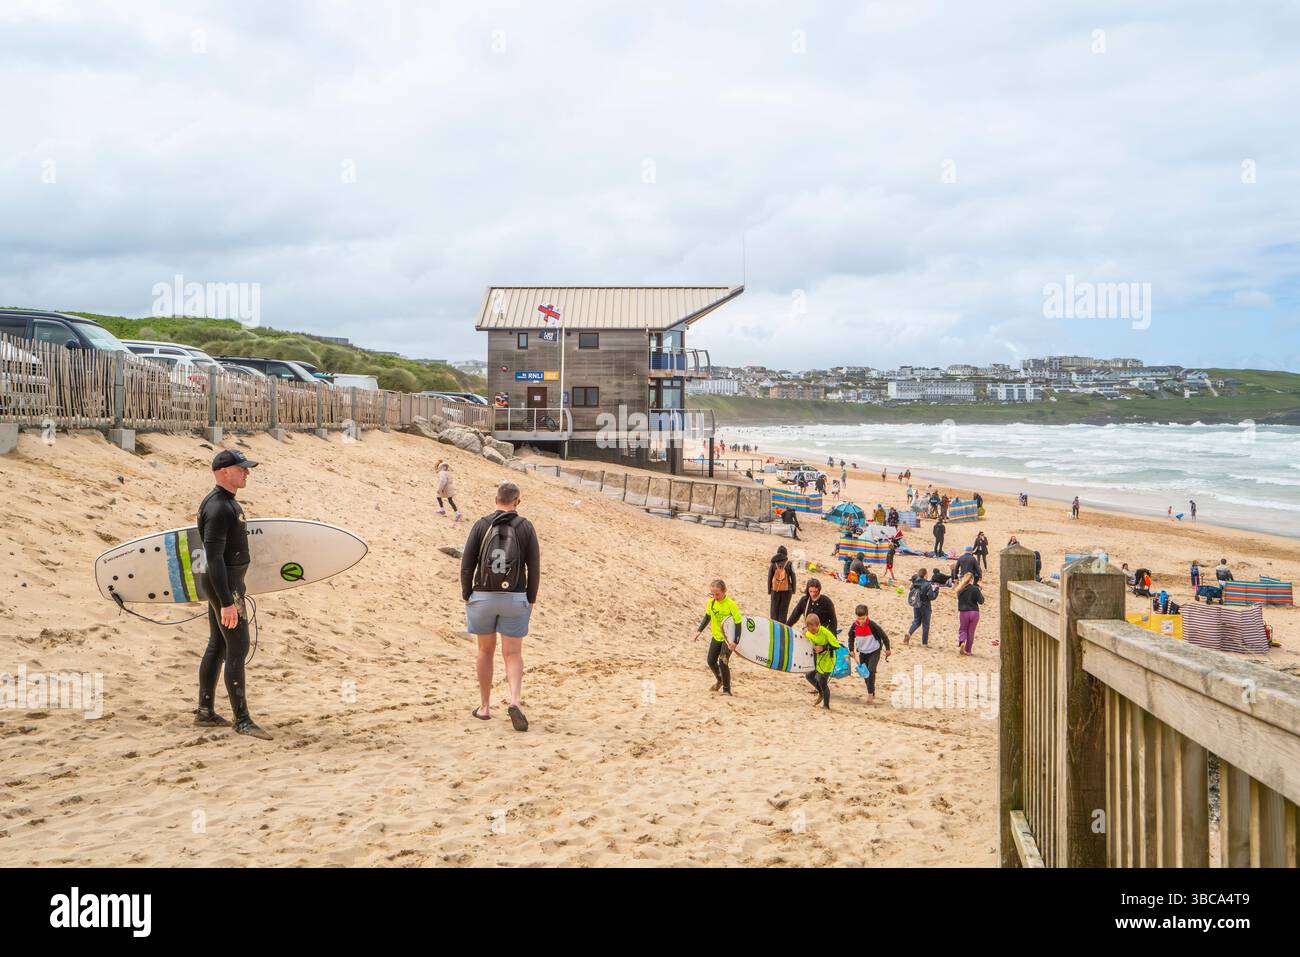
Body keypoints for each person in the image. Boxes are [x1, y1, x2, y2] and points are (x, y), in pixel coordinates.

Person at [195, 449, 271, 740]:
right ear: (224, 472)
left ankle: (205, 712)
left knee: (217, 644)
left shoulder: (224, 503)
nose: (247, 472)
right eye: (242, 468)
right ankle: (242, 720)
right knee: (237, 649)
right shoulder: (219, 508)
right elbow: (213, 558)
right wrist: (227, 602)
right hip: (224, 585)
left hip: (224, 584)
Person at [461, 481, 540, 730]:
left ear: (496, 499)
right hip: (515, 597)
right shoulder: (525, 527)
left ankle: (484, 708)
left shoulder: (482, 525)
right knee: (513, 653)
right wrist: (531, 598)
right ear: (516, 502)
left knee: (485, 651)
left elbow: (467, 563)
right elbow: (534, 567)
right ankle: (515, 702)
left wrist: (467, 594)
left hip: (483, 596)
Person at [694, 579, 742, 695]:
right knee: (710, 661)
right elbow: (707, 617)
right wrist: (699, 630)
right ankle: (720, 679)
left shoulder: (730, 604)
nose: (715, 597)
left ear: (724, 591)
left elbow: (738, 623)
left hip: (728, 638)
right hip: (716, 636)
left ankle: (727, 689)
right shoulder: (711, 603)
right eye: (713, 594)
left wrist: (735, 641)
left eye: (717, 594)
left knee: (723, 661)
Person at [846, 603, 890, 703]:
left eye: (863, 618)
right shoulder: (854, 625)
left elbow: (883, 636)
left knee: (871, 670)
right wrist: (851, 649)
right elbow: (850, 637)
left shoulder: (872, 625)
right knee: (865, 674)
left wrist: (888, 648)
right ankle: (871, 691)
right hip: (862, 653)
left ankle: (870, 694)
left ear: (867, 615)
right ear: (856, 616)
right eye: (859, 618)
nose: (861, 621)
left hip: (874, 651)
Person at [801, 613, 840, 710]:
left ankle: (826, 706)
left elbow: (836, 646)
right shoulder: (808, 632)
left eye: (813, 629)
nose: (812, 632)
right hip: (818, 659)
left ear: (818, 625)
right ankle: (821, 693)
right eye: (809, 630)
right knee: (809, 676)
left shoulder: (826, 632)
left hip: (828, 660)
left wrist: (823, 648)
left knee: (822, 682)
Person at [905, 569, 938, 645]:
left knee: (916, 621)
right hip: (925, 605)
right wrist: (936, 590)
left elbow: (911, 589)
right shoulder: (927, 584)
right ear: (925, 574)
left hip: (916, 603)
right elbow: (931, 597)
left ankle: (909, 633)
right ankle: (924, 643)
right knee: (925, 624)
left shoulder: (915, 582)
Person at [956, 577, 984, 656]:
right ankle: (968, 651)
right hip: (974, 612)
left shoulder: (960, 589)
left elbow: (960, 599)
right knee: (971, 632)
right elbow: (981, 601)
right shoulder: (975, 589)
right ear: (971, 580)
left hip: (964, 612)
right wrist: (979, 591)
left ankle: (962, 642)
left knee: (963, 629)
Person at [768, 546, 796, 621]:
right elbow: (793, 577)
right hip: (787, 590)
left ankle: (774, 627)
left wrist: (769, 590)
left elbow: (769, 577)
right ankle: (782, 628)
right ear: (786, 554)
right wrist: (793, 589)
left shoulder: (773, 564)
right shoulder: (789, 564)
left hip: (775, 590)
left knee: (774, 611)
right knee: (783, 611)